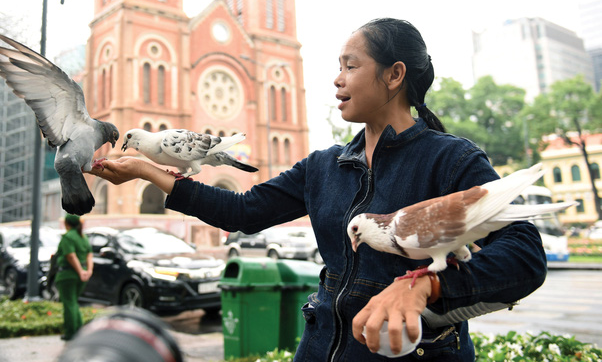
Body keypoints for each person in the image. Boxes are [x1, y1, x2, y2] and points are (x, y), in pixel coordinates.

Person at [88, 18, 547, 360]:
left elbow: (524, 257)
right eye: (338, 67)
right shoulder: (324, 166)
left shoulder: (451, 161)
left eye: (351, 66)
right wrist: (147, 170)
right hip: (321, 347)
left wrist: (424, 287)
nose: (337, 78)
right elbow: (242, 213)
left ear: (394, 74)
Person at [55, 214, 93, 341]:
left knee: (69, 304)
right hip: (80, 275)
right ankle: (78, 331)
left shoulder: (68, 237)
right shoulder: (83, 237)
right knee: (73, 303)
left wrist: (80, 271)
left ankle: (71, 333)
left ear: (67, 223)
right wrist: (88, 271)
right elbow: (89, 255)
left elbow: (70, 256)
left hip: (68, 274)